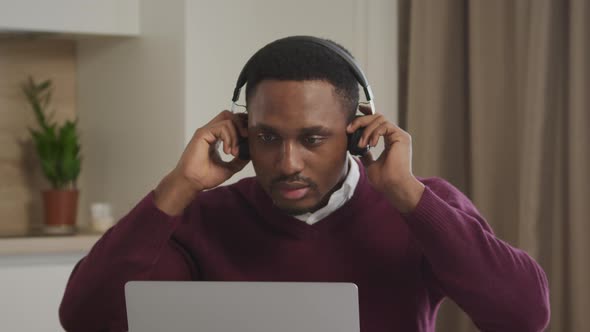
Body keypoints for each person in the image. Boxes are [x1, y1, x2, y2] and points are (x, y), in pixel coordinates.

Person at [59, 36, 550, 332]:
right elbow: (85, 318)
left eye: (313, 138)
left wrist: (407, 195)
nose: (287, 162)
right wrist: (177, 187)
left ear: (358, 132)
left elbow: (523, 316)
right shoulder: (201, 217)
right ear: (243, 131)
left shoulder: (422, 205)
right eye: (268, 137)